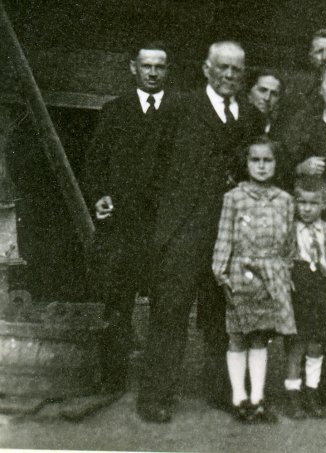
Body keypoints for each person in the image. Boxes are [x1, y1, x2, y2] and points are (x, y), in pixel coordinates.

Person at [136, 41, 263, 423]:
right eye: (221, 67)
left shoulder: (253, 118)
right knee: (170, 315)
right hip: (184, 230)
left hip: (232, 236)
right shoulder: (179, 106)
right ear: (206, 69)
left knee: (224, 318)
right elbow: (152, 167)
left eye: (236, 70)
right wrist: (167, 221)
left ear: (243, 74)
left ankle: (224, 392)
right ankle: (155, 397)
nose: (228, 75)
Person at [84, 41, 178, 395]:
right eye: (147, 66)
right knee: (117, 303)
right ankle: (112, 379)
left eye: (160, 66)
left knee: (165, 309)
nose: (153, 72)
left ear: (167, 70)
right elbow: (94, 164)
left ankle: (157, 385)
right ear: (133, 68)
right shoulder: (114, 110)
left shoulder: (179, 113)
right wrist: (99, 197)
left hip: (163, 228)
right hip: (122, 228)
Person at [212, 136, 296, 424]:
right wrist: (221, 272)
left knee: (261, 337)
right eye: (255, 160)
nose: (261, 166)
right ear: (246, 163)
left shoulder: (285, 200)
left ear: (276, 164)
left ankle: (258, 399)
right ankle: (239, 398)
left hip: (271, 275)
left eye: (267, 160)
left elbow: (289, 245)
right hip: (240, 274)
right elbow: (224, 236)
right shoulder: (234, 197)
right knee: (238, 336)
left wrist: (282, 271)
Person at [284, 176, 326, 420]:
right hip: (298, 292)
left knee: (316, 345)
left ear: (323, 204)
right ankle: (293, 395)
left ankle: (312, 392)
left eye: (313, 203)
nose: (307, 208)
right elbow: (283, 262)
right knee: (295, 346)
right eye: (301, 202)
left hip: (321, 291)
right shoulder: (289, 230)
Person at [282, 57, 326, 220]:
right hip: (313, 216)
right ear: (321, 89)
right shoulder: (304, 124)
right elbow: (283, 167)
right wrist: (301, 168)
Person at [246, 68, 284, 137]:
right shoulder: (237, 125)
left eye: (274, 94)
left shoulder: (279, 133)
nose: (267, 98)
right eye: (262, 90)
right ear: (249, 94)